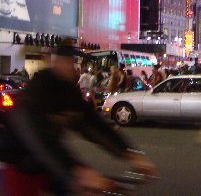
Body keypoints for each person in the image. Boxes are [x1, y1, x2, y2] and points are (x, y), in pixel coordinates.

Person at [0, 40, 157, 195]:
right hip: (21, 161)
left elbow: (94, 125)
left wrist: (130, 154)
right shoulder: (36, 92)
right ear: (53, 62)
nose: (71, 65)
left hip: (51, 162)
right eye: (65, 60)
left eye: (73, 61)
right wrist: (78, 172)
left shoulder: (69, 91)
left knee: (83, 189)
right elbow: (38, 138)